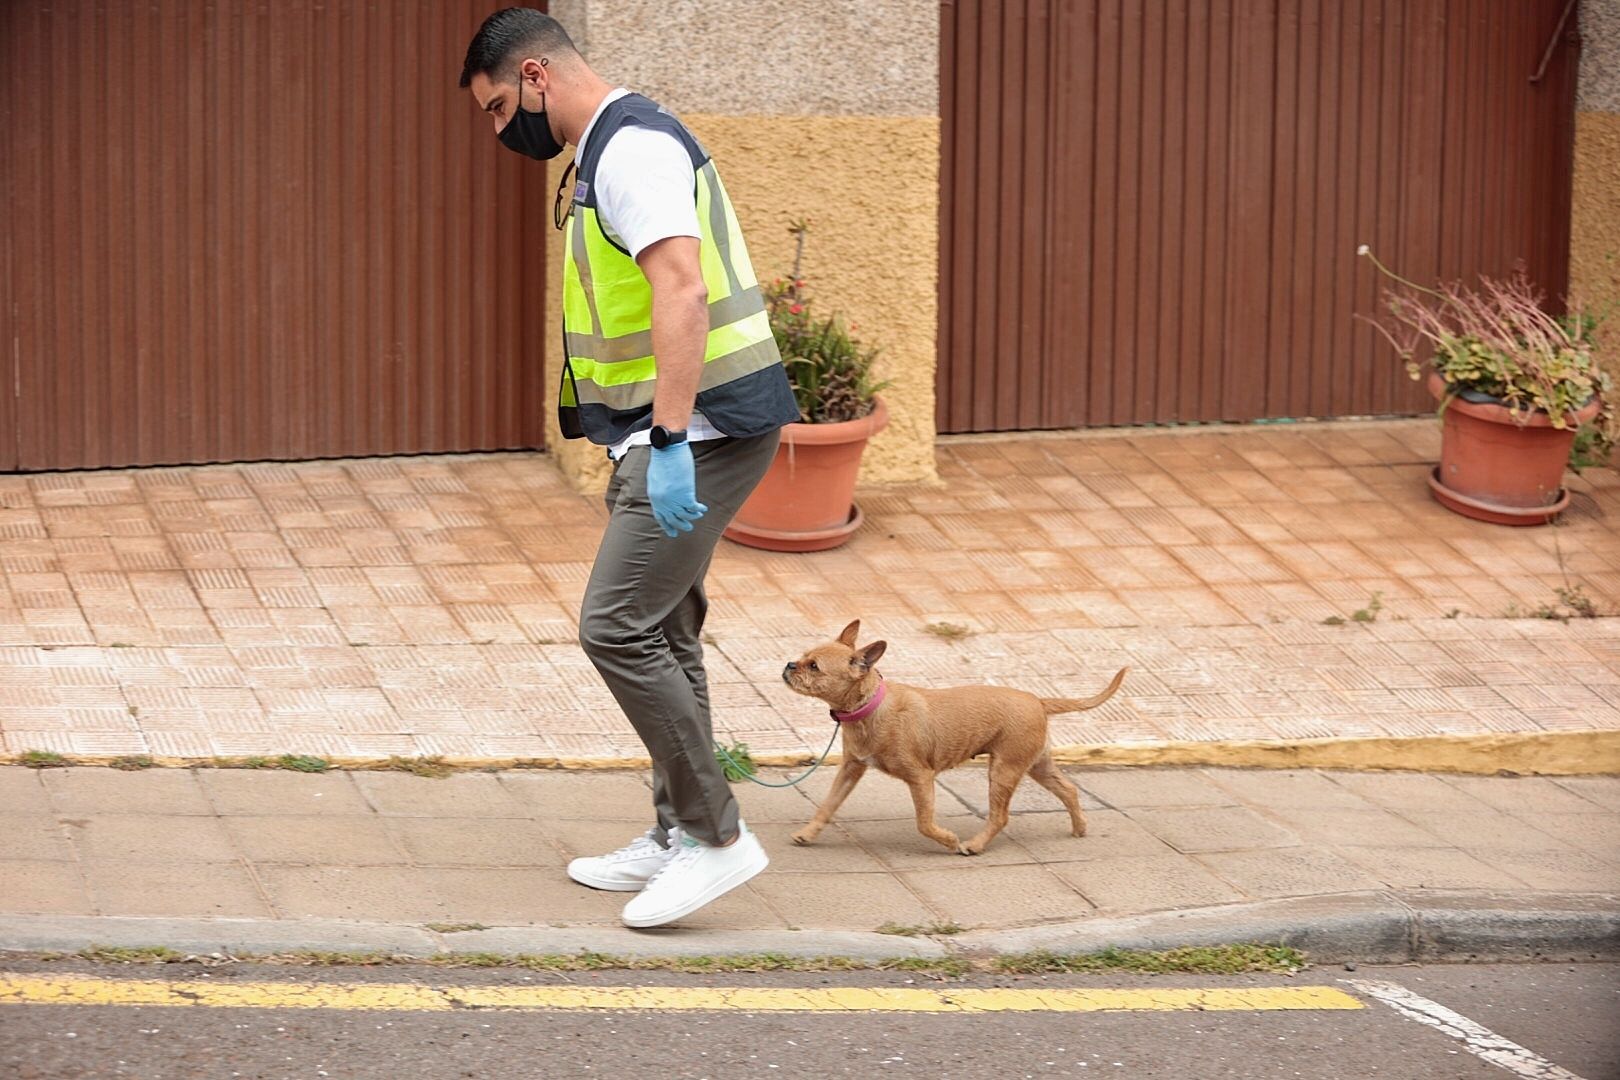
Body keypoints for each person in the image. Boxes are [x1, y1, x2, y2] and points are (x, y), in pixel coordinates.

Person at [459, 8, 799, 928]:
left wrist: (674, 441)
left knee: (614, 626)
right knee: (665, 629)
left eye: (496, 109)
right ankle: (676, 833)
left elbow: (681, 290)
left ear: (535, 78)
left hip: (701, 431)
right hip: (668, 430)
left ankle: (718, 837)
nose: (501, 132)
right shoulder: (606, 150)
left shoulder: (631, 151)